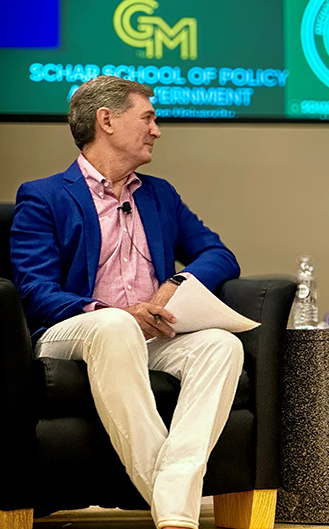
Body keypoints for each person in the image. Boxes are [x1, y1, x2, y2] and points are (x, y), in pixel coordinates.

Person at [10, 75, 243, 529]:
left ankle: (174, 508)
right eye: (148, 118)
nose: (157, 130)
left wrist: (179, 279)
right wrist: (115, 314)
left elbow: (219, 254)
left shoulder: (159, 194)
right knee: (115, 326)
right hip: (74, 330)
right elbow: (36, 293)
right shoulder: (44, 197)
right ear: (107, 121)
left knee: (221, 345)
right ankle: (172, 501)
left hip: (150, 334)